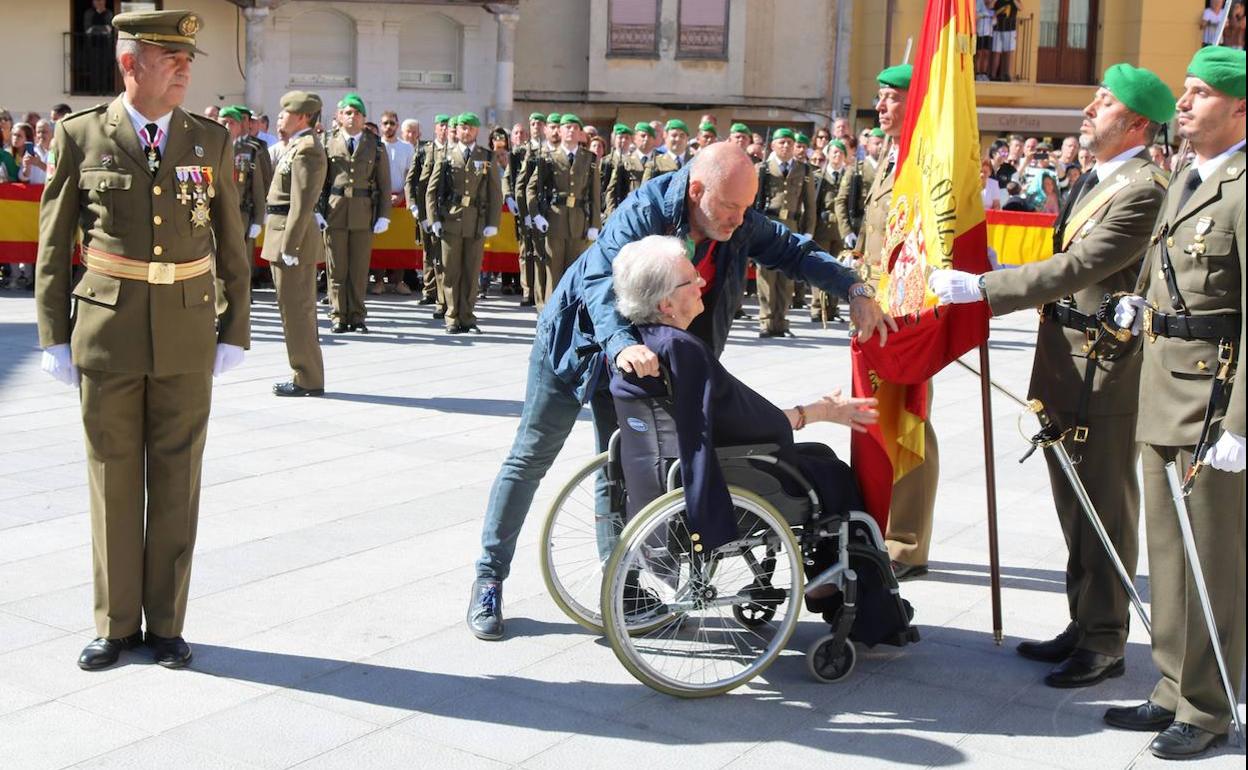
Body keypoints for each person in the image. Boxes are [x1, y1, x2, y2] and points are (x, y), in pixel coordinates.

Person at [466, 141, 896, 640]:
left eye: (746, 207)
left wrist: (855, 288)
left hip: (643, 359)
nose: (739, 219)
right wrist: (621, 342)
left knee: (621, 467)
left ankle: (621, 583)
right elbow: (601, 277)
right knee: (530, 457)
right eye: (729, 207)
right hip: (579, 343)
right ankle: (489, 578)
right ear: (696, 190)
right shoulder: (645, 210)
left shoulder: (737, 221)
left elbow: (793, 250)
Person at [933, 63, 1174, 690]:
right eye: (1094, 98)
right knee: (1073, 503)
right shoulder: (1099, 178)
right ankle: (1084, 620)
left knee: (1104, 509)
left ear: (1138, 124)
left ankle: (1105, 641)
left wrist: (983, 288)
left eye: (1106, 103)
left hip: (1105, 371)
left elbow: (1080, 265)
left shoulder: (1145, 188)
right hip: (1065, 363)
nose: (1091, 109)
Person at [35, 10, 250, 670]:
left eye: (189, 56)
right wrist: (54, 336)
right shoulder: (80, 137)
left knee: (179, 481)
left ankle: (167, 625)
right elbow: (53, 245)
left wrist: (234, 326)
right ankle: (115, 623)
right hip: (106, 332)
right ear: (130, 65)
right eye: (169, 56)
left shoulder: (207, 141)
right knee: (113, 479)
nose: (186, 66)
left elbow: (231, 244)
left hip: (187, 330)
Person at [1106, 45, 1245, 761]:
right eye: (1185, 91)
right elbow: (1173, 272)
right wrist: (1140, 304)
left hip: (1213, 403)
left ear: (1241, 107)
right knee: (1168, 554)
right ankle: (1170, 687)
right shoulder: (1188, 176)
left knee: (1212, 564)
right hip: (1161, 389)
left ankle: (1208, 707)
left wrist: (1242, 425)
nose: (1183, 103)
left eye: (1199, 93)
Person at [610, 235, 878, 544]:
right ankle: (843, 589)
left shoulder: (641, 342)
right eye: (690, 280)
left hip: (663, 471)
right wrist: (819, 412)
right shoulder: (682, 348)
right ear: (665, 304)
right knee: (834, 475)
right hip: (728, 474)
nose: (701, 282)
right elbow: (754, 424)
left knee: (820, 453)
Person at [847, 64, 940, 581]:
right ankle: (888, 530)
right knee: (884, 417)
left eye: (890, 98)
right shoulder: (891, 155)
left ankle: (907, 543)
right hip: (877, 307)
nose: (880, 107)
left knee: (911, 418)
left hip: (904, 310)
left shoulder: (924, 160)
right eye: (879, 98)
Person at [264, 92, 329, 398]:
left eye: (286, 112)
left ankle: (307, 377)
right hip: (283, 233)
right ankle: (305, 373)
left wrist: (290, 246)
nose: (281, 117)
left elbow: (302, 204)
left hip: (293, 239)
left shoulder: (307, 149)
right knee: (294, 309)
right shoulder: (298, 145)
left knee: (297, 311)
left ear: (303, 117)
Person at [426, 112, 502, 334]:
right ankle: (451, 317)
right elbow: (432, 191)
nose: (466, 131)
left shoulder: (486, 156)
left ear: (477, 131)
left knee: (471, 271)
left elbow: (494, 192)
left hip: (476, 222)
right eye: (462, 128)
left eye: (470, 128)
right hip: (451, 220)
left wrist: (493, 221)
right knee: (451, 271)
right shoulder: (446, 156)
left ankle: (467, 317)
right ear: (456, 131)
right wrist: (434, 220)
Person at [323, 93, 390, 334]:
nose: (353, 117)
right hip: (335, 210)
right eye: (348, 113)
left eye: (357, 113)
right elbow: (321, 182)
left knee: (360, 268)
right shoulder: (327, 142)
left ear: (364, 118)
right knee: (337, 267)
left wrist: (384, 214)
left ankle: (358, 315)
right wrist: (318, 212)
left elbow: (383, 183)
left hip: (363, 211)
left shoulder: (375, 145)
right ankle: (339, 315)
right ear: (339, 116)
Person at [526, 113, 601, 305]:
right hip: (554, 220)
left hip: (578, 223)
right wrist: (536, 216)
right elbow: (531, 189)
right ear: (559, 131)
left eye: (575, 128)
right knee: (554, 272)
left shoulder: (589, 159)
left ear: (581, 134)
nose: (571, 131)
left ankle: (570, 320)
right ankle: (551, 318)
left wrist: (594, 224)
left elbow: (594, 194)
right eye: (567, 127)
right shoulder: (548, 157)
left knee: (575, 274)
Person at [754, 127, 816, 338]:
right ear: (773, 145)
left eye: (790, 142)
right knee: (766, 276)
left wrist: (808, 231)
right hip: (768, 223)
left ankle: (781, 321)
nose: (787, 146)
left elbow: (810, 204)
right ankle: (766, 320)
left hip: (791, 224)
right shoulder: (762, 168)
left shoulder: (803, 170)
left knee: (786, 276)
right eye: (782, 142)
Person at [408, 113, 451, 314]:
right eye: (441, 126)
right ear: (435, 128)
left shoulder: (453, 152)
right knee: (429, 251)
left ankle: (443, 295)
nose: (444, 129)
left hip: (447, 211)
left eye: (447, 126)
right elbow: (412, 181)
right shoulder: (425, 150)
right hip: (427, 209)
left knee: (443, 255)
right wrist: (414, 206)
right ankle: (430, 289)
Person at [374, 110, 414, 296]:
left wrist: (401, 197)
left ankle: (398, 281)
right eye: (385, 123)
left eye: (392, 123)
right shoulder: (375, 146)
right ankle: (379, 281)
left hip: (400, 198)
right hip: (380, 199)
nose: (389, 126)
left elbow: (409, 175)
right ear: (381, 126)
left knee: (400, 241)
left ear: (397, 125)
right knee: (380, 241)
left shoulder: (407, 148)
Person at [811, 138, 850, 322]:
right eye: (834, 152)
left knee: (838, 268)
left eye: (841, 153)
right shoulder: (819, 177)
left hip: (840, 231)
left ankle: (833, 307)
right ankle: (818, 308)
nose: (837, 156)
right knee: (820, 267)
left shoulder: (848, 176)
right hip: (823, 229)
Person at [976, 0, 995, 80]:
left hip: (989, 31)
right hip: (980, 30)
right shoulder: (979, 1)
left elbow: (994, 15)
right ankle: (977, 74)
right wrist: (984, 15)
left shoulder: (992, 2)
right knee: (979, 53)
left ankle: (983, 73)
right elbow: (975, 14)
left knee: (986, 53)